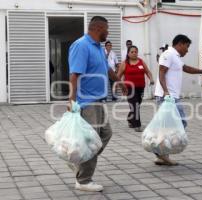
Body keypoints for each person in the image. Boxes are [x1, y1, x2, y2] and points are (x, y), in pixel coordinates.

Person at [68, 16, 127, 192]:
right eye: (106, 29)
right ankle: (84, 180)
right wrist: (71, 100)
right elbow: (74, 74)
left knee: (105, 135)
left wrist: (119, 81)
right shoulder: (82, 45)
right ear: (98, 28)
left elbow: (106, 68)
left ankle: (79, 162)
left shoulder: (98, 47)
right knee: (92, 141)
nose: (108, 33)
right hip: (87, 102)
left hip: (99, 101)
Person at [154, 34, 202, 165]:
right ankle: (161, 151)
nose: (187, 50)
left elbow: (185, 68)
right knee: (177, 124)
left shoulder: (175, 56)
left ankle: (161, 154)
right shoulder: (168, 54)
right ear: (180, 44)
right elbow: (161, 71)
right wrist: (165, 91)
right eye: (187, 46)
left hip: (172, 97)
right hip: (168, 97)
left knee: (171, 125)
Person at [117, 45, 154, 132]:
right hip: (129, 88)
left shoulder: (141, 62)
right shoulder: (124, 63)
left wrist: (151, 79)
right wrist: (121, 87)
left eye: (135, 52)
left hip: (140, 88)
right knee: (135, 105)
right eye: (132, 52)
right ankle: (137, 125)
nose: (134, 53)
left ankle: (130, 119)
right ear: (128, 53)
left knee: (136, 105)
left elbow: (148, 72)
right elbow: (118, 76)